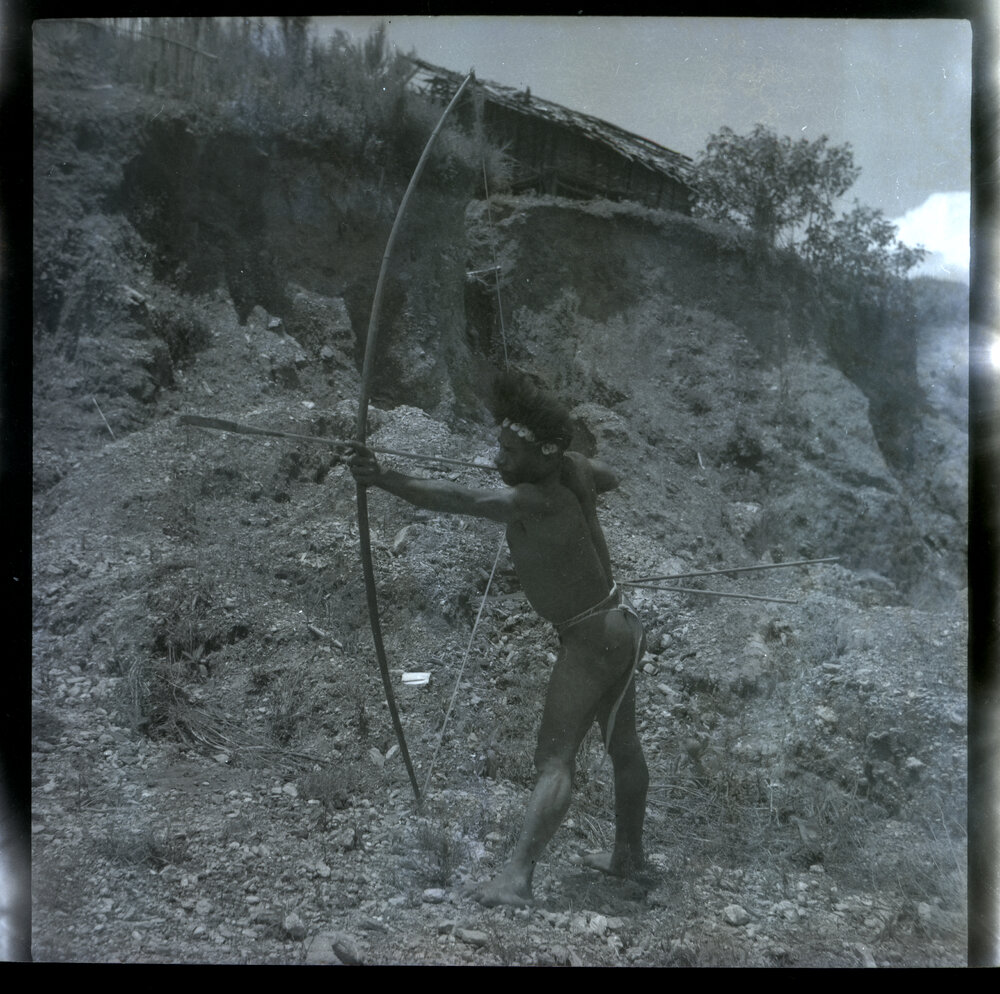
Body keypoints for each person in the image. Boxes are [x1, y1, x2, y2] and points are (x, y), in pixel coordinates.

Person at [349, 371, 648, 907]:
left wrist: (382, 478)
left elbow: (460, 497)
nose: (497, 459)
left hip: (589, 637)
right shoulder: (573, 470)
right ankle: (627, 854)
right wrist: (570, 472)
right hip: (617, 625)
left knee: (554, 760)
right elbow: (613, 476)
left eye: (511, 452)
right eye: (499, 447)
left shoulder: (535, 500)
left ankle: (515, 878)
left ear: (545, 453)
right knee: (622, 746)